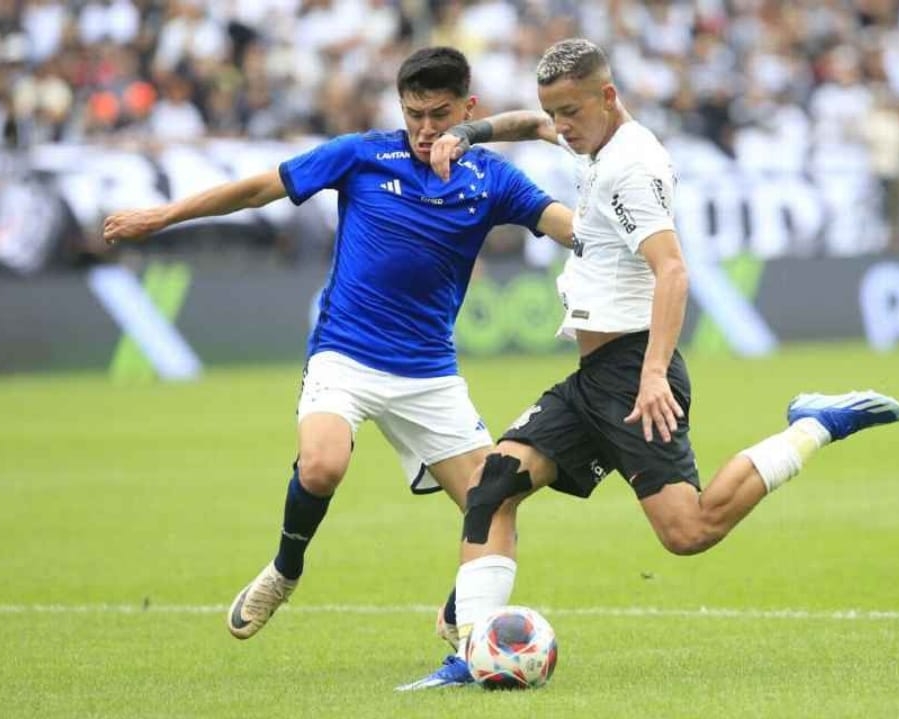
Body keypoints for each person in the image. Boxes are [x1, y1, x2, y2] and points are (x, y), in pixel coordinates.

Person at [396, 38, 899, 691]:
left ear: (608, 97)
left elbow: (673, 270)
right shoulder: (594, 136)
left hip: (634, 375)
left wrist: (656, 372)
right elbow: (528, 124)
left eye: (570, 112)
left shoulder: (630, 170)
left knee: (689, 529)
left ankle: (813, 424)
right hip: (593, 382)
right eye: (556, 112)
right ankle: (471, 647)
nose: (561, 126)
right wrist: (468, 131)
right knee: (494, 483)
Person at [102, 47, 575, 640]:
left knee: (494, 502)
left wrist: (623, 222)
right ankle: (284, 569)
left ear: (468, 108)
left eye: (440, 114)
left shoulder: (493, 178)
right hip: (346, 353)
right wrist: (161, 218)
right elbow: (257, 190)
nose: (426, 129)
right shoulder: (362, 155)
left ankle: (463, 623)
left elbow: (567, 226)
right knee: (323, 465)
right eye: (414, 114)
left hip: (429, 372)